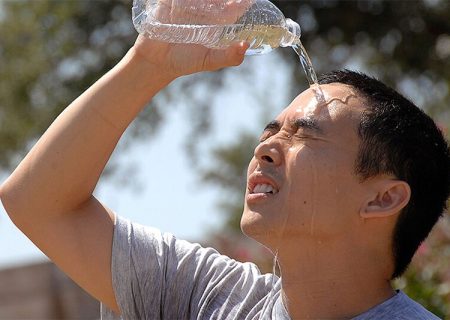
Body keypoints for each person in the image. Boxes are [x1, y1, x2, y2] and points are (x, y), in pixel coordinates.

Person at [1, 30, 449, 319]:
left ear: (383, 199)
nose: (265, 148)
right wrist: (150, 62)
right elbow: (37, 202)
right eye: (270, 131)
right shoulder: (206, 296)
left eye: (304, 136)